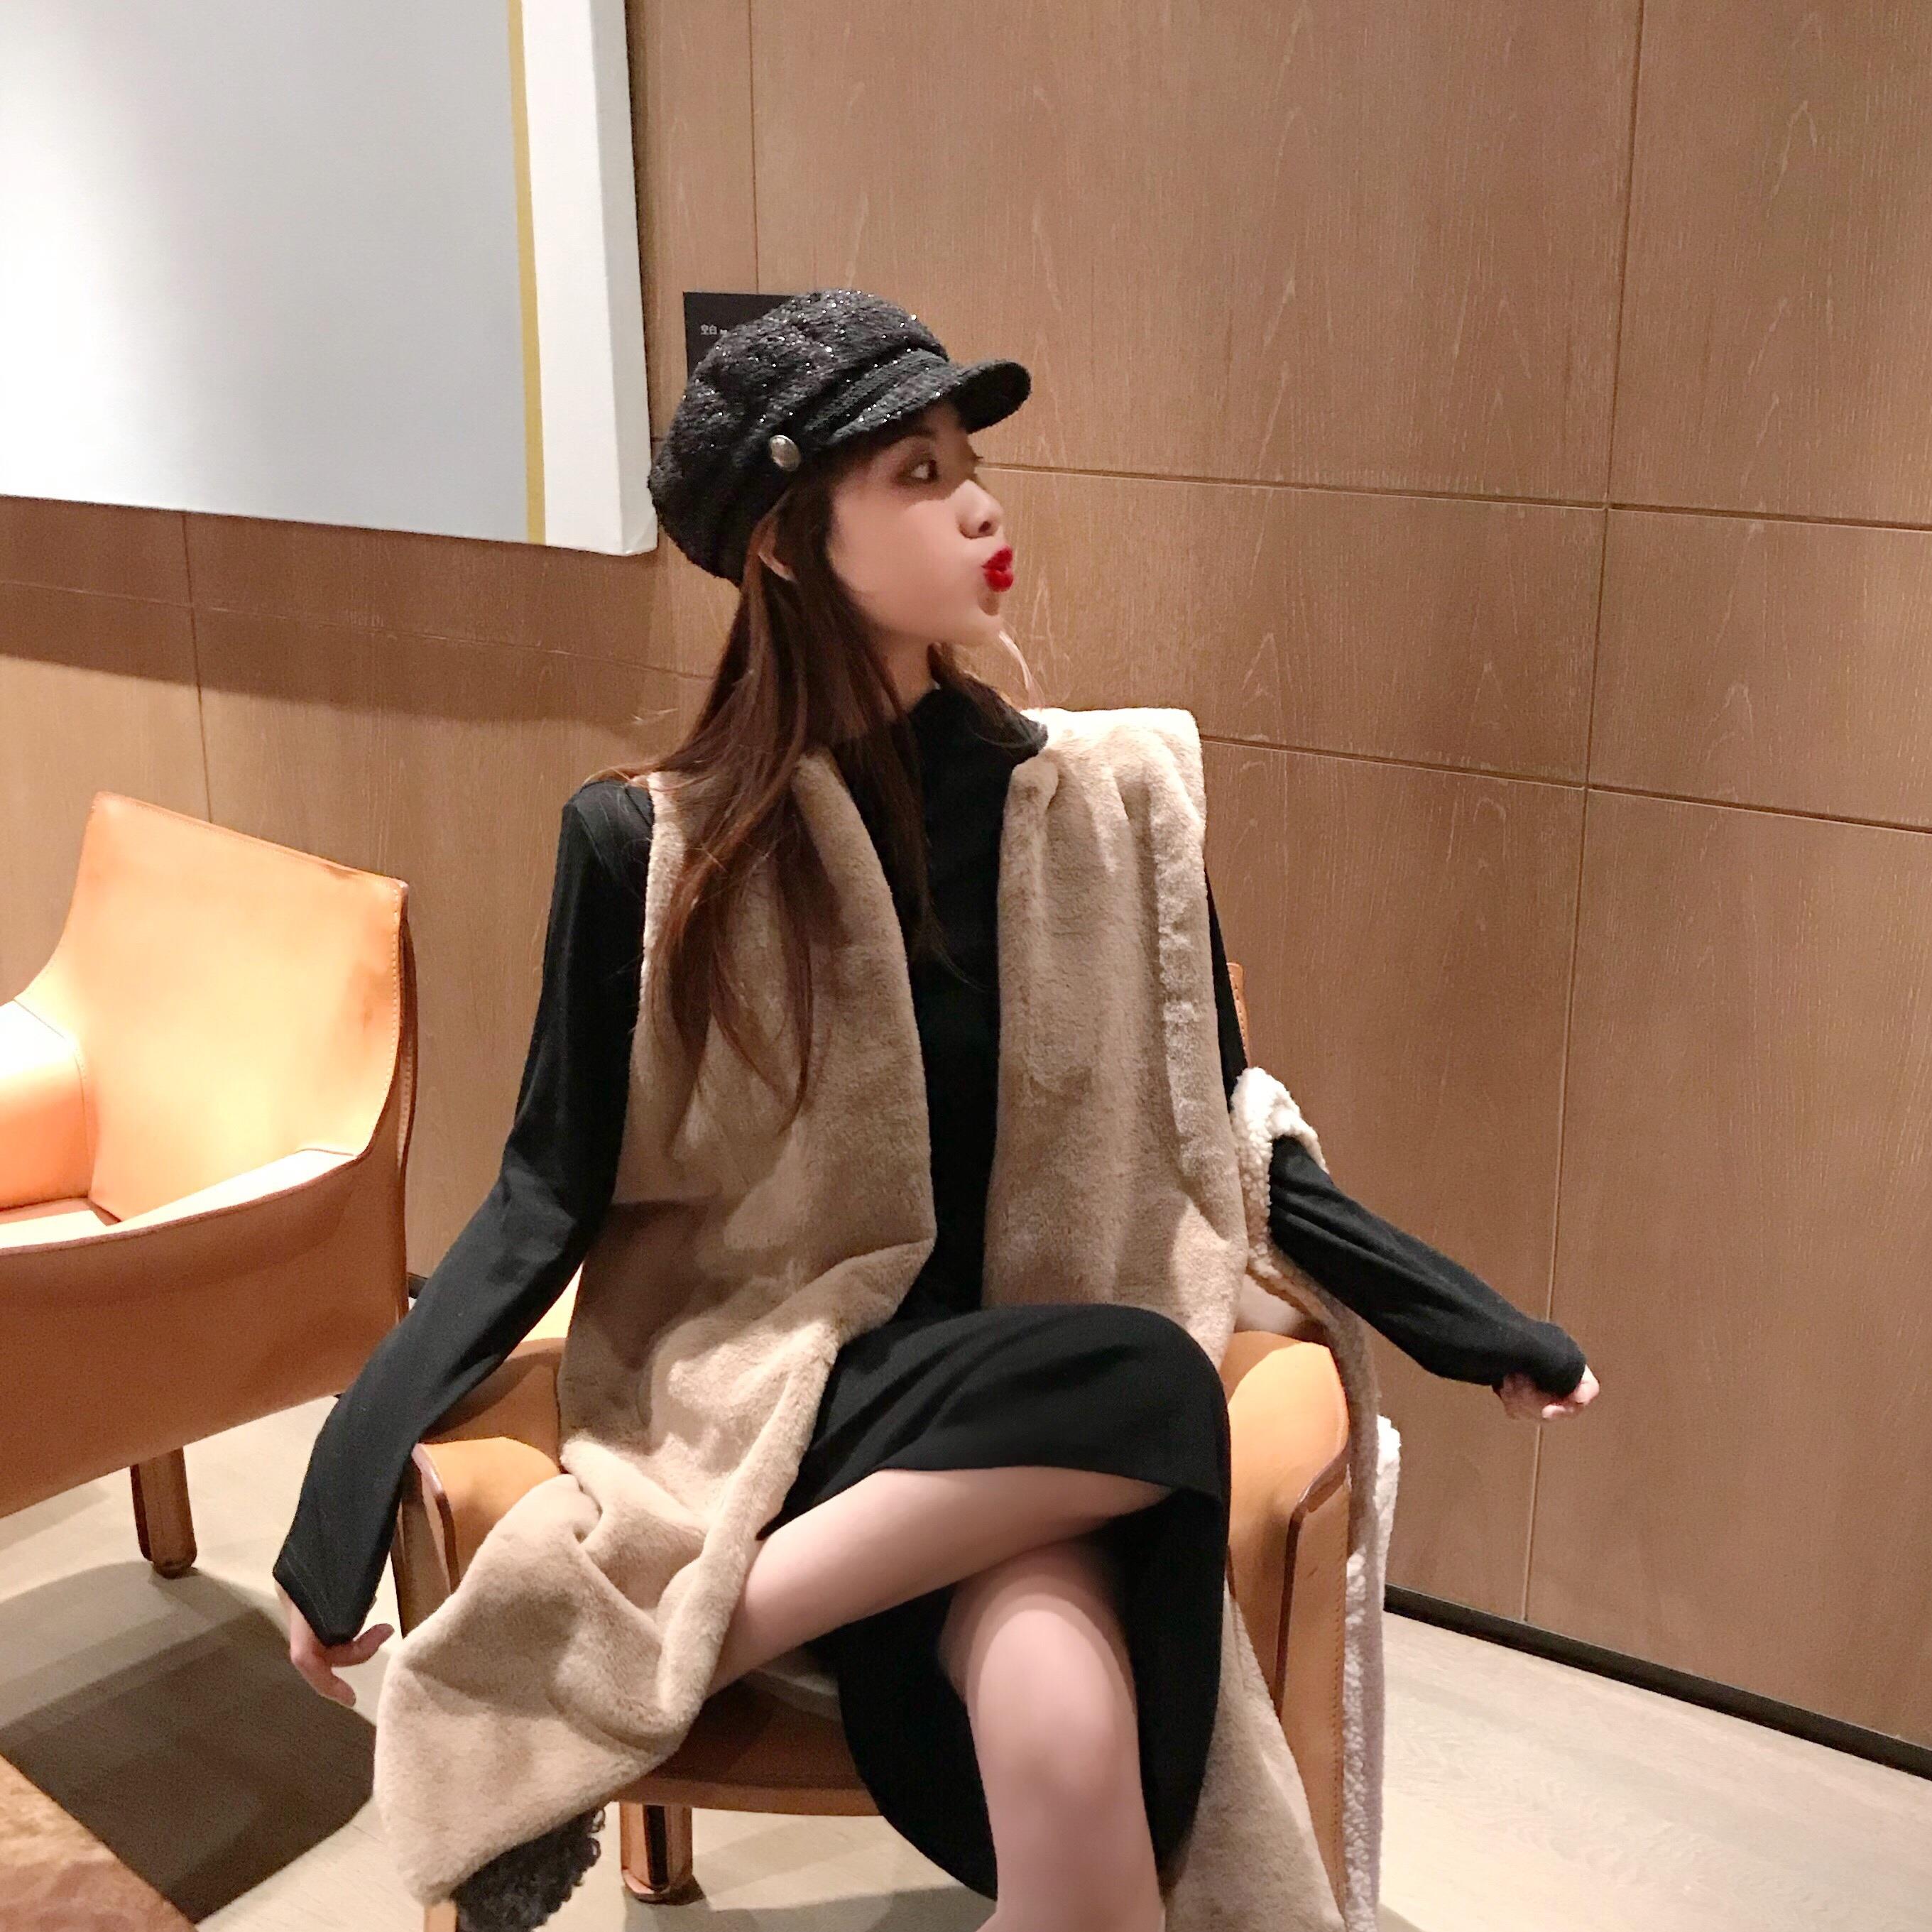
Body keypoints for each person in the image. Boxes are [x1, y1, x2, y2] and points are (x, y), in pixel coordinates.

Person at [275, 289, 1598, 1932]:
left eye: (968, 462)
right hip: (794, 1402)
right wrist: (340, 1485)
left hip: (1028, 1428)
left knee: (1073, 1750)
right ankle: (652, 1647)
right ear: (784, 543)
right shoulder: (650, 849)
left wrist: (1464, 1319)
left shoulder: (1113, 804)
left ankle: (636, 1664)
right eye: (915, 470)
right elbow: (542, 1192)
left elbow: (1223, 1133)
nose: (978, 504)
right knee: (1141, 1379)